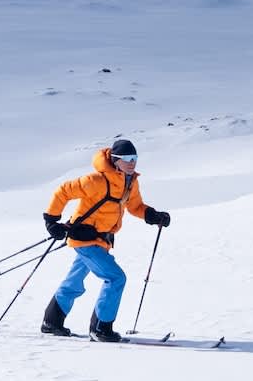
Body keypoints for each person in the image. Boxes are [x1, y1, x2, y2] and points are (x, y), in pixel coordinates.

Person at [40, 138, 170, 342]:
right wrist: (51, 220)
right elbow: (63, 191)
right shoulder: (97, 181)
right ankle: (101, 328)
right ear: (116, 160)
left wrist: (153, 215)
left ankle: (52, 321)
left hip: (102, 240)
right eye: (127, 158)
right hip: (84, 239)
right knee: (116, 278)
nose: (132, 162)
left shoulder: (130, 183)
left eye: (135, 158)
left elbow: (135, 206)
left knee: (74, 281)